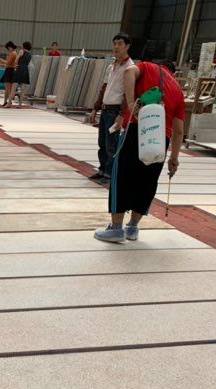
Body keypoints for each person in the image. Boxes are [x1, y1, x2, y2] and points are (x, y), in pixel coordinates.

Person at [94, 60, 185, 243]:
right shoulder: (178, 90)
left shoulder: (148, 67)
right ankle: (132, 227)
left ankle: (116, 229)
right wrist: (174, 158)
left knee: (122, 177)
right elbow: (179, 130)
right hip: (161, 139)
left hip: (136, 130)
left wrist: (130, 103)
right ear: (173, 73)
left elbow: (129, 72)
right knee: (147, 182)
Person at [88, 33, 134, 184]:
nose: (116, 47)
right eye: (114, 44)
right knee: (102, 143)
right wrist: (95, 108)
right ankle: (102, 169)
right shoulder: (111, 66)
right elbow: (104, 88)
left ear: (127, 46)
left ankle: (109, 173)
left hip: (115, 111)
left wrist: (121, 114)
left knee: (111, 145)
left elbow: (128, 94)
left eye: (120, 43)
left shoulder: (129, 68)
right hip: (105, 109)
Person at [13, 41, 33, 107]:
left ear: (24, 46)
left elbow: (16, 60)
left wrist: (15, 65)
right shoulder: (30, 54)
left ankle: (9, 102)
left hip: (20, 69)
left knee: (14, 87)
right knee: (23, 89)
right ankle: (20, 104)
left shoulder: (21, 51)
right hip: (26, 70)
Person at [0, 41, 18, 107]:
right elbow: (9, 63)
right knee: (8, 88)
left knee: (7, 88)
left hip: (9, 71)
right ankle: (7, 101)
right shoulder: (13, 53)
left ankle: (7, 101)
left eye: (8, 48)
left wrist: (2, 61)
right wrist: (4, 63)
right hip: (9, 70)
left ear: (10, 47)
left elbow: (8, 63)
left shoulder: (13, 53)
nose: (8, 49)